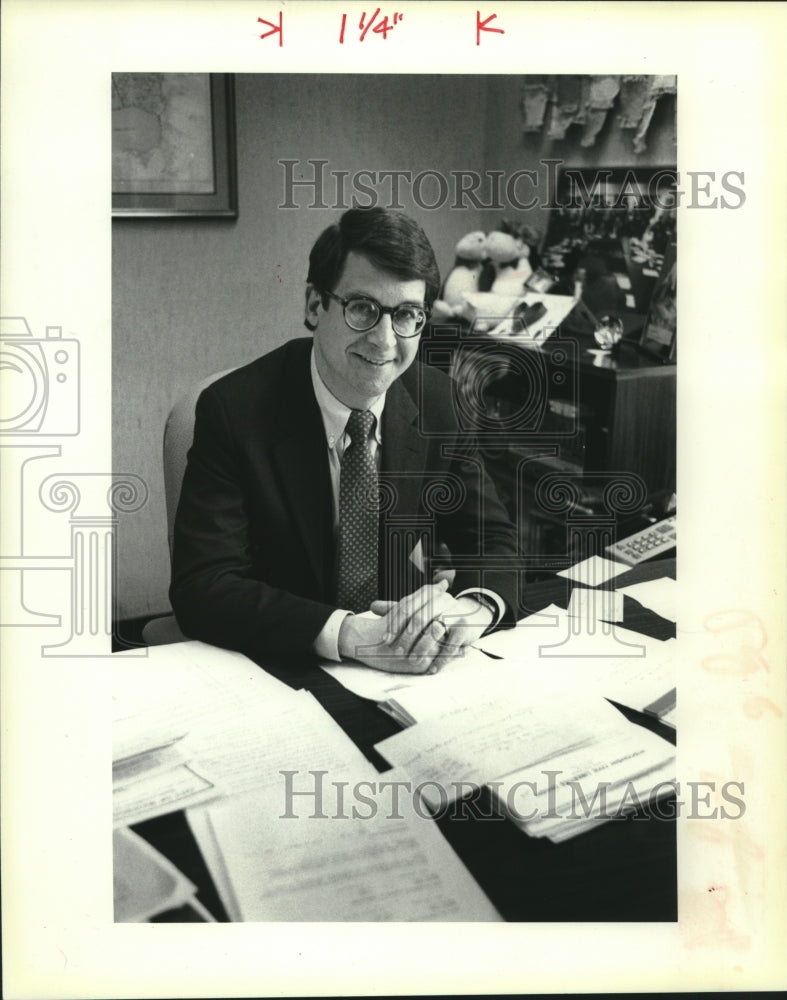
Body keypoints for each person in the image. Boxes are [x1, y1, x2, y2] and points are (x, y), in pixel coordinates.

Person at [170, 207, 520, 674]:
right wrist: (351, 633)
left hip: (404, 664)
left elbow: (492, 538)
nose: (384, 341)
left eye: (407, 315)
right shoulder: (233, 411)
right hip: (280, 663)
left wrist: (470, 610)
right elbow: (204, 585)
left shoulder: (438, 401)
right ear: (315, 305)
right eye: (362, 309)